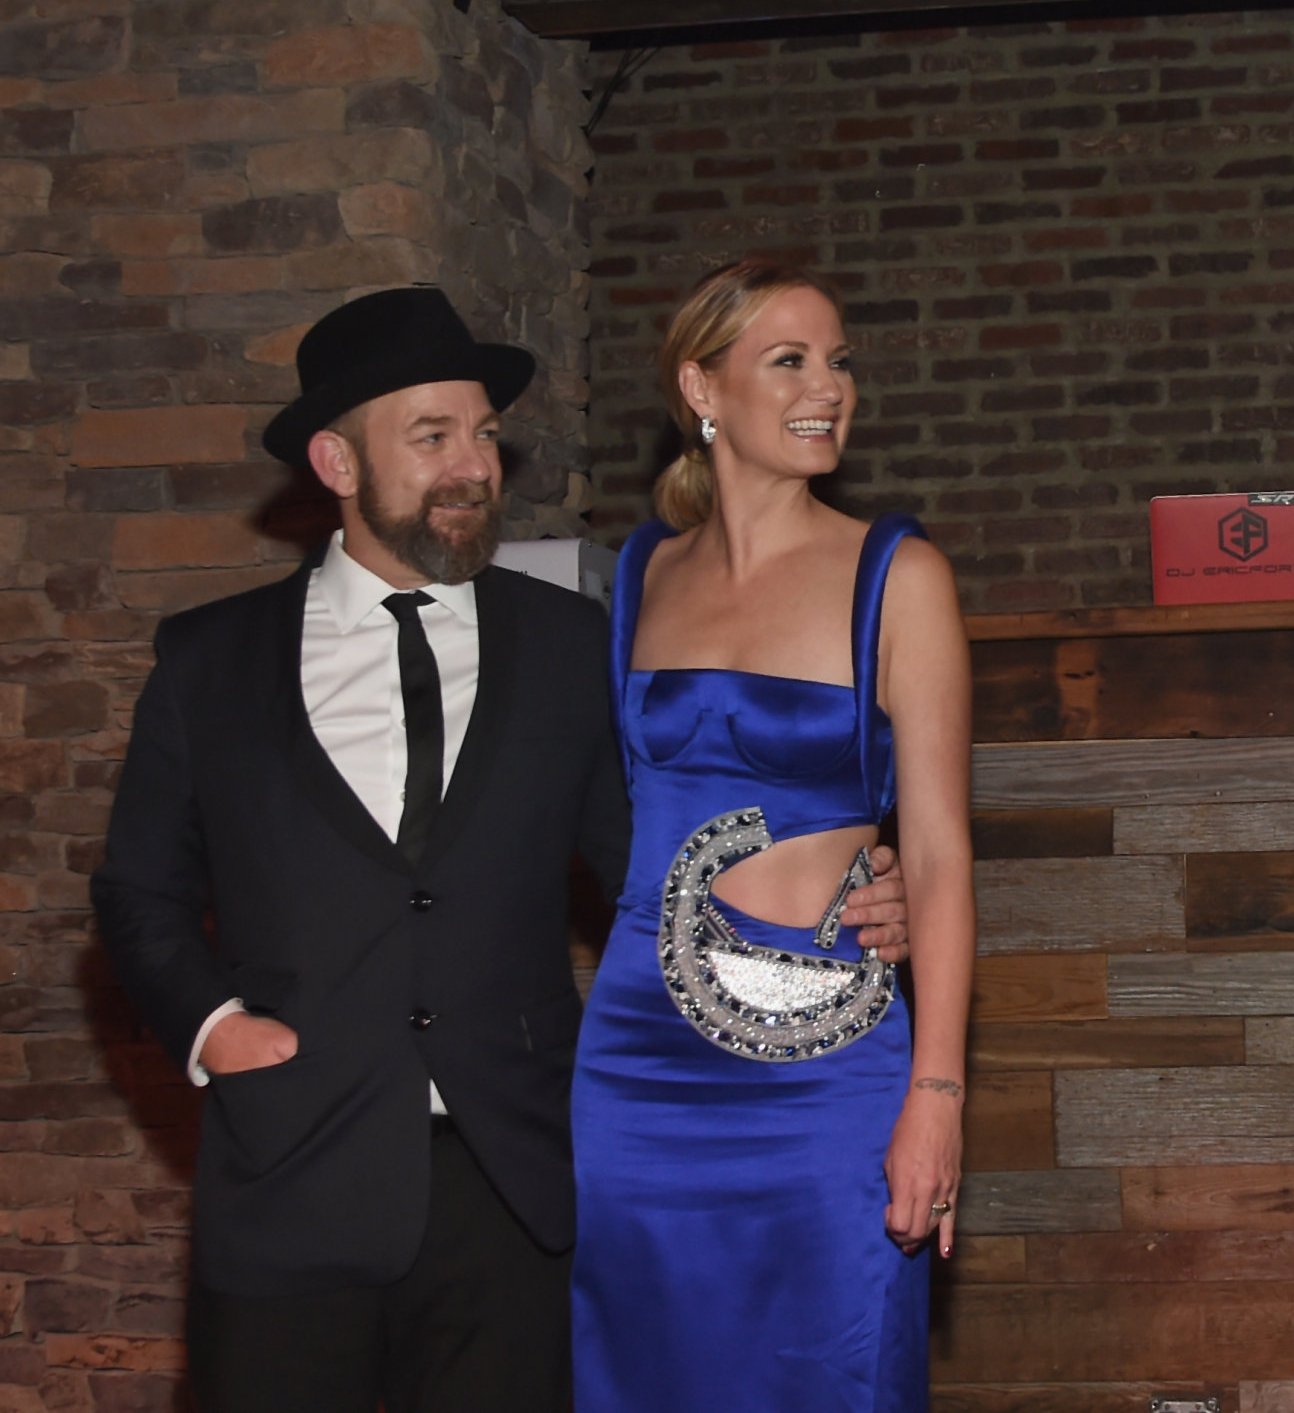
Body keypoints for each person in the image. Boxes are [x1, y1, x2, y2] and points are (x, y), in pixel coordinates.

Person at [90, 286, 911, 1413]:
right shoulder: (209, 662)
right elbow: (138, 886)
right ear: (337, 461)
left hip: (518, 1186)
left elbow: (655, 867)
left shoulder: (573, 645)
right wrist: (212, 1027)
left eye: (481, 433)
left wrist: (835, 895)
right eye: (431, 438)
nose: (473, 466)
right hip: (290, 1173)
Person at [571, 257, 974, 1412]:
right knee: (643, 1368)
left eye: (838, 359)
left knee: (832, 1367)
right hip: (638, 1056)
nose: (828, 386)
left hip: (829, 1066)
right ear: (702, 387)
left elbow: (940, 851)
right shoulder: (643, 571)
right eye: (788, 359)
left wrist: (937, 1090)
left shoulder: (899, 574)